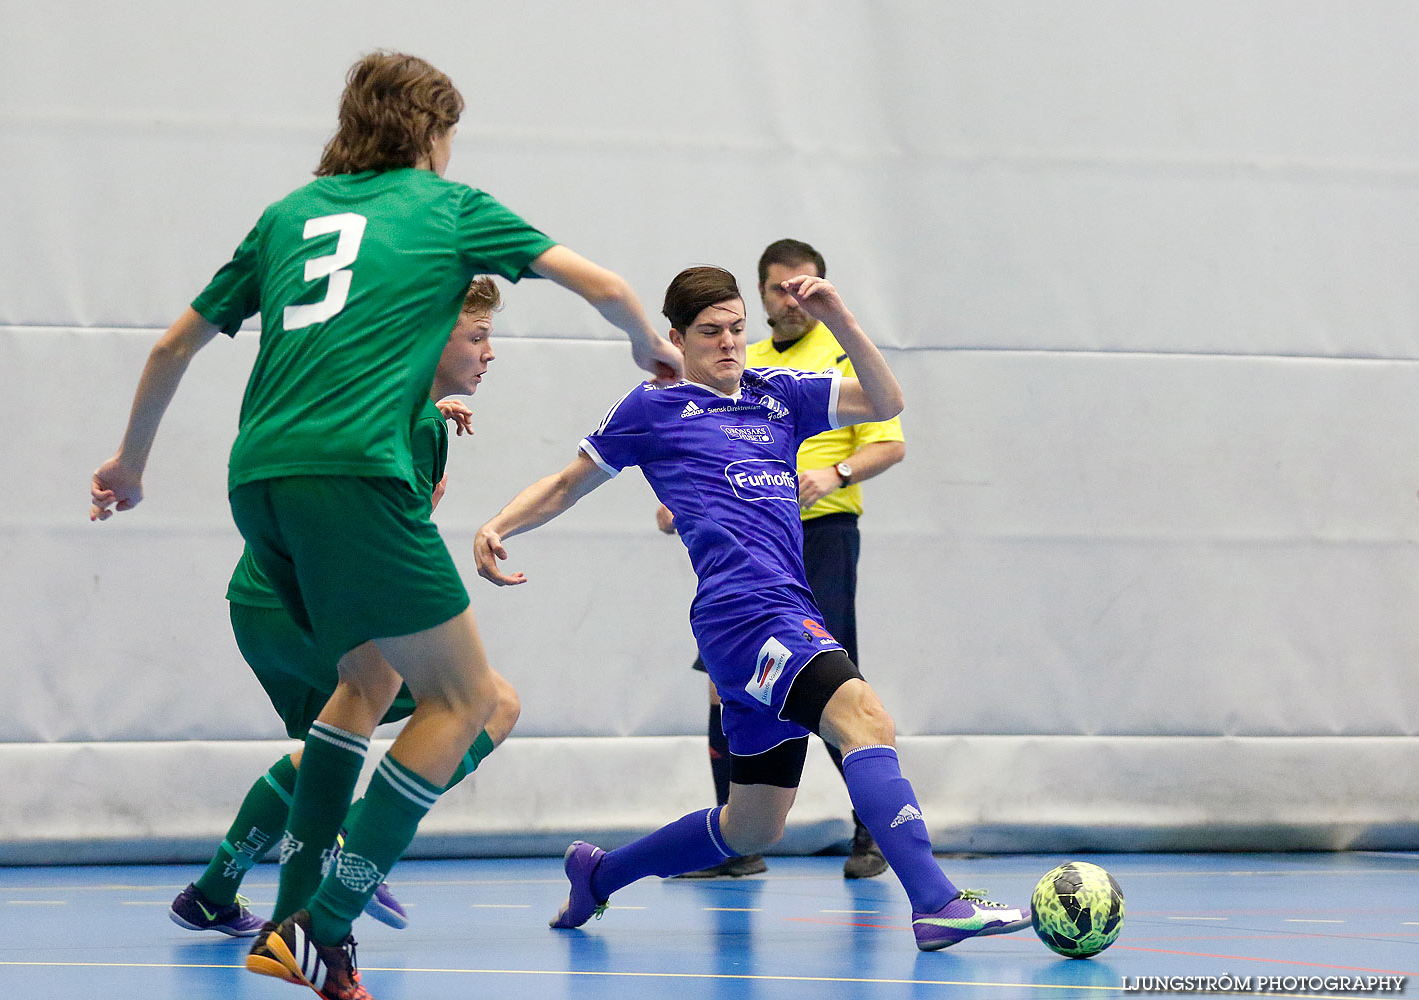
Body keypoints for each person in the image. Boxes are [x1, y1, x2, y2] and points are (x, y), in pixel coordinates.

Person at [90, 50, 681, 1000]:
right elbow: (603, 282)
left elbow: (172, 345)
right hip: (355, 473)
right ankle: (321, 926)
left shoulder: (289, 215)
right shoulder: (448, 209)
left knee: (364, 680)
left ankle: (291, 915)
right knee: (473, 703)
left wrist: (130, 465)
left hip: (262, 480)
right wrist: (648, 342)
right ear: (434, 132)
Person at [474, 266, 1029, 952]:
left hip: (777, 613)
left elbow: (886, 399)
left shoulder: (781, 396)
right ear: (675, 338)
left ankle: (601, 873)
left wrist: (839, 318)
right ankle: (937, 901)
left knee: (752, 827)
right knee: (866, 719)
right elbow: (566, 483)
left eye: (738, 328)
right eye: (710, 333)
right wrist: (499, 524)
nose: (729, 344)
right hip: (746, 616)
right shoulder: (652, 408)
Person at [168, 277, 514, 941]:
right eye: (478, 335)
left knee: (330, 743)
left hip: (262, 597)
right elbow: (391, 539)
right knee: (490, 704)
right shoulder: (417, 424)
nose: (490, 352)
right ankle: (350, 848)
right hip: (316, 598)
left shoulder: (384, 398)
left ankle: (213, 891)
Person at [661, 239, 905, 880]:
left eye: (805, 287)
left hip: (816, 538)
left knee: (839, 689)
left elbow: (888, 434)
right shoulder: (741, 363)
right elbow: (704, 452)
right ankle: (738, 841)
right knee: (727, 687)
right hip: (741, 564)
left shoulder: (821, 362)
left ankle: (871, 836)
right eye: (779, 289)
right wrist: (684, 500)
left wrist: (836, 472)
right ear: (764, 295)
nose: (790, 300)